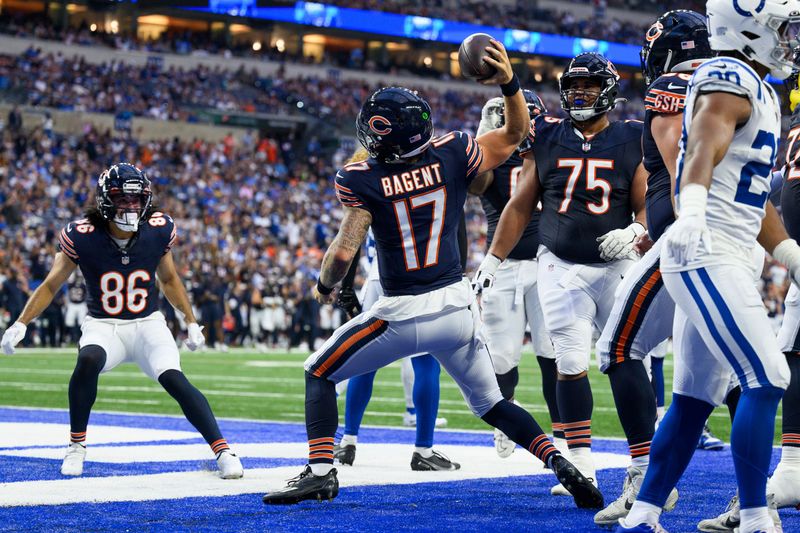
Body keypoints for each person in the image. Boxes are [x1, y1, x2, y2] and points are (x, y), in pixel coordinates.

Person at [262, 38, 603, 509]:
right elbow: (512, 133)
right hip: (458, 308)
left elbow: (343, 252)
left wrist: (325, 286)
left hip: (400, 312)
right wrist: (509, 83)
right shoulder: (453, 151)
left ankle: (321, 472)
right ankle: (559, 462)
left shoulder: (360, 177)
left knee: (317, 372)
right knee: (494, 405)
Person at [618, 1, 800, 531]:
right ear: (748, 29)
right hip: (706, 248)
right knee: (768, 377)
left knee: (693, 398)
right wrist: (693, 210)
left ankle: (644, 511)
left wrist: (789, 254)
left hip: (726, 246)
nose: (790, 40)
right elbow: (701, 145)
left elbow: (750, 198)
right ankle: (756, 515)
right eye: (782, 29)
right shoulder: (730, 73)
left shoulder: (761, 88)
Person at [0, 163, 244, 480]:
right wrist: (21, 323)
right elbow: (50, 284)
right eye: (121, 199)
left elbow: (169, 280)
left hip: (147, 324)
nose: (130, 206)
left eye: (135, 199)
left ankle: (223, 450)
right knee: (88, 359)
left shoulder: (157, 229)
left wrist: (191, 321)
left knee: (173, 378)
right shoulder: (82, 235)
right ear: (105, 200)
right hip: (104, 325)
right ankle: (76, 446)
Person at [474, 52, 648, 493]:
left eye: (589, 84)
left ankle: (645, 464)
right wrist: (492, 259)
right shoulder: (547, 136)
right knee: (569, 361)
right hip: (561, 265)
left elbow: (648, 203)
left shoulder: (632, 138)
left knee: (627, 360)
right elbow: (520, 204)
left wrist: (635, 231)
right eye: (572, 86)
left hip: (618, 264)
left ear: (608, 89)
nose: (579, 93)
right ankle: (581, 464)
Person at [592, 10, 715, 525]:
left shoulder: (672, 85)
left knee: (618, 348)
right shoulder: (737, 82)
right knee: (715, 374)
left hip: (688, 243)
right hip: (720, 241)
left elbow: (683, 169)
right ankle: (760, 493)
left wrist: (670, 230)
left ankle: (645, 478)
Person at [334, 197, 457, 471]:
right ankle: (423, 449)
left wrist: (345, 286)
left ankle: (348, 442)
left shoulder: (369, 181)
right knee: (425, 361)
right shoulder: (418, 172)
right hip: (415, 277)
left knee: (364, 363)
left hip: (376, 279)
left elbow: (351, 237)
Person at [470, 90, 559, 459]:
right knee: (502, 358)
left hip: (548, 261)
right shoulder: (493, 163)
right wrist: (479, 141)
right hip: (503, 266)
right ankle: (509, 419)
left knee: (553, 354)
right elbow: (472, 182)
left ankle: (566, 437)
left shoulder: (552, 154)